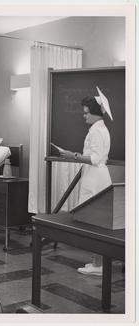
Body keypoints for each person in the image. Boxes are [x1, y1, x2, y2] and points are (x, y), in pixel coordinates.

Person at [60, 87, 112, 276]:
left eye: (86, 113)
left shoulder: (97, 131)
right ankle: (96, 262)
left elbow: (96, 158)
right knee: (94, 222)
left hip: (96, 176)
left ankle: (99, 265)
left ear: (95, 113)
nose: (84, 116)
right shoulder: (99, 128)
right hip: (95, 175)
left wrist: (72, 155)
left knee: (94, 222)